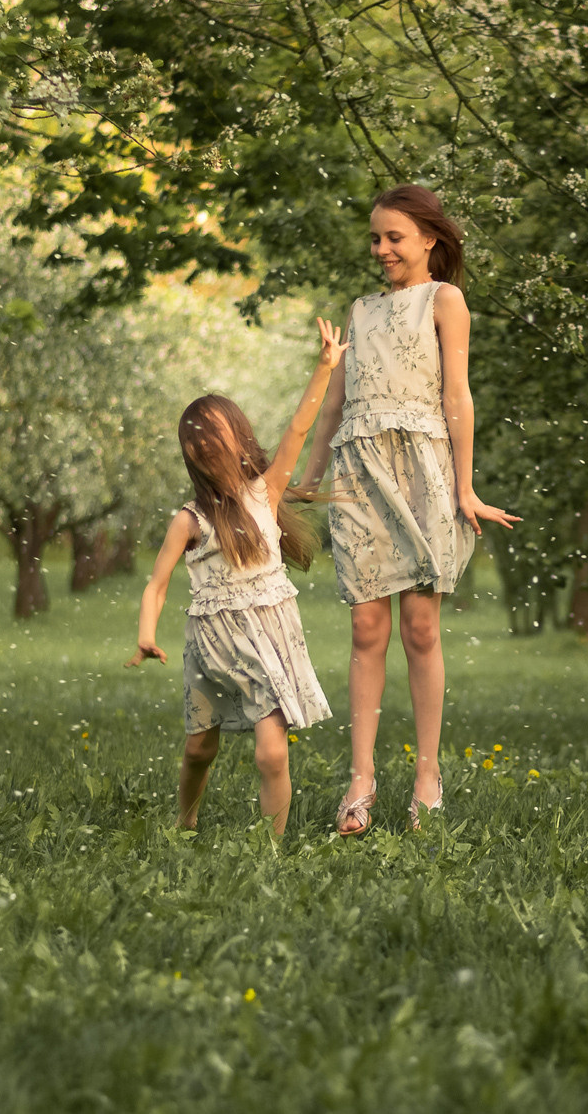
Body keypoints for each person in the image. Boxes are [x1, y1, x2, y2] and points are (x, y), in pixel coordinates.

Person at [300, 184, 520, 835]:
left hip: (423, 471)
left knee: (421, 628)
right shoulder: (361, 312)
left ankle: (428, 774)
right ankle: (360, 780)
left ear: (430, 239)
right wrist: (309, 477)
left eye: (395, 236)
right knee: (368, 631)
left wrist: (466, 487)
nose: (382, 248)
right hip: (361, 473)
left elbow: (459, 395)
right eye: (375, 237)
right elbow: (335, 404)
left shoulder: (444, 300)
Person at [127, 318, 349, 837]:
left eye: (213, 434)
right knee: (200, 748)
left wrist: (324, 368)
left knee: (272, 753)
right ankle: (185, 821)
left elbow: (298, 429)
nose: (204, 445)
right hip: (209, 646)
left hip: (266, 640)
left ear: (238, 436)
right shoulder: (189, 520)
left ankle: (270, 851)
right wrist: (145, 634)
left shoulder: (265, 492)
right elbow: (156, 584)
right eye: (195, 440)